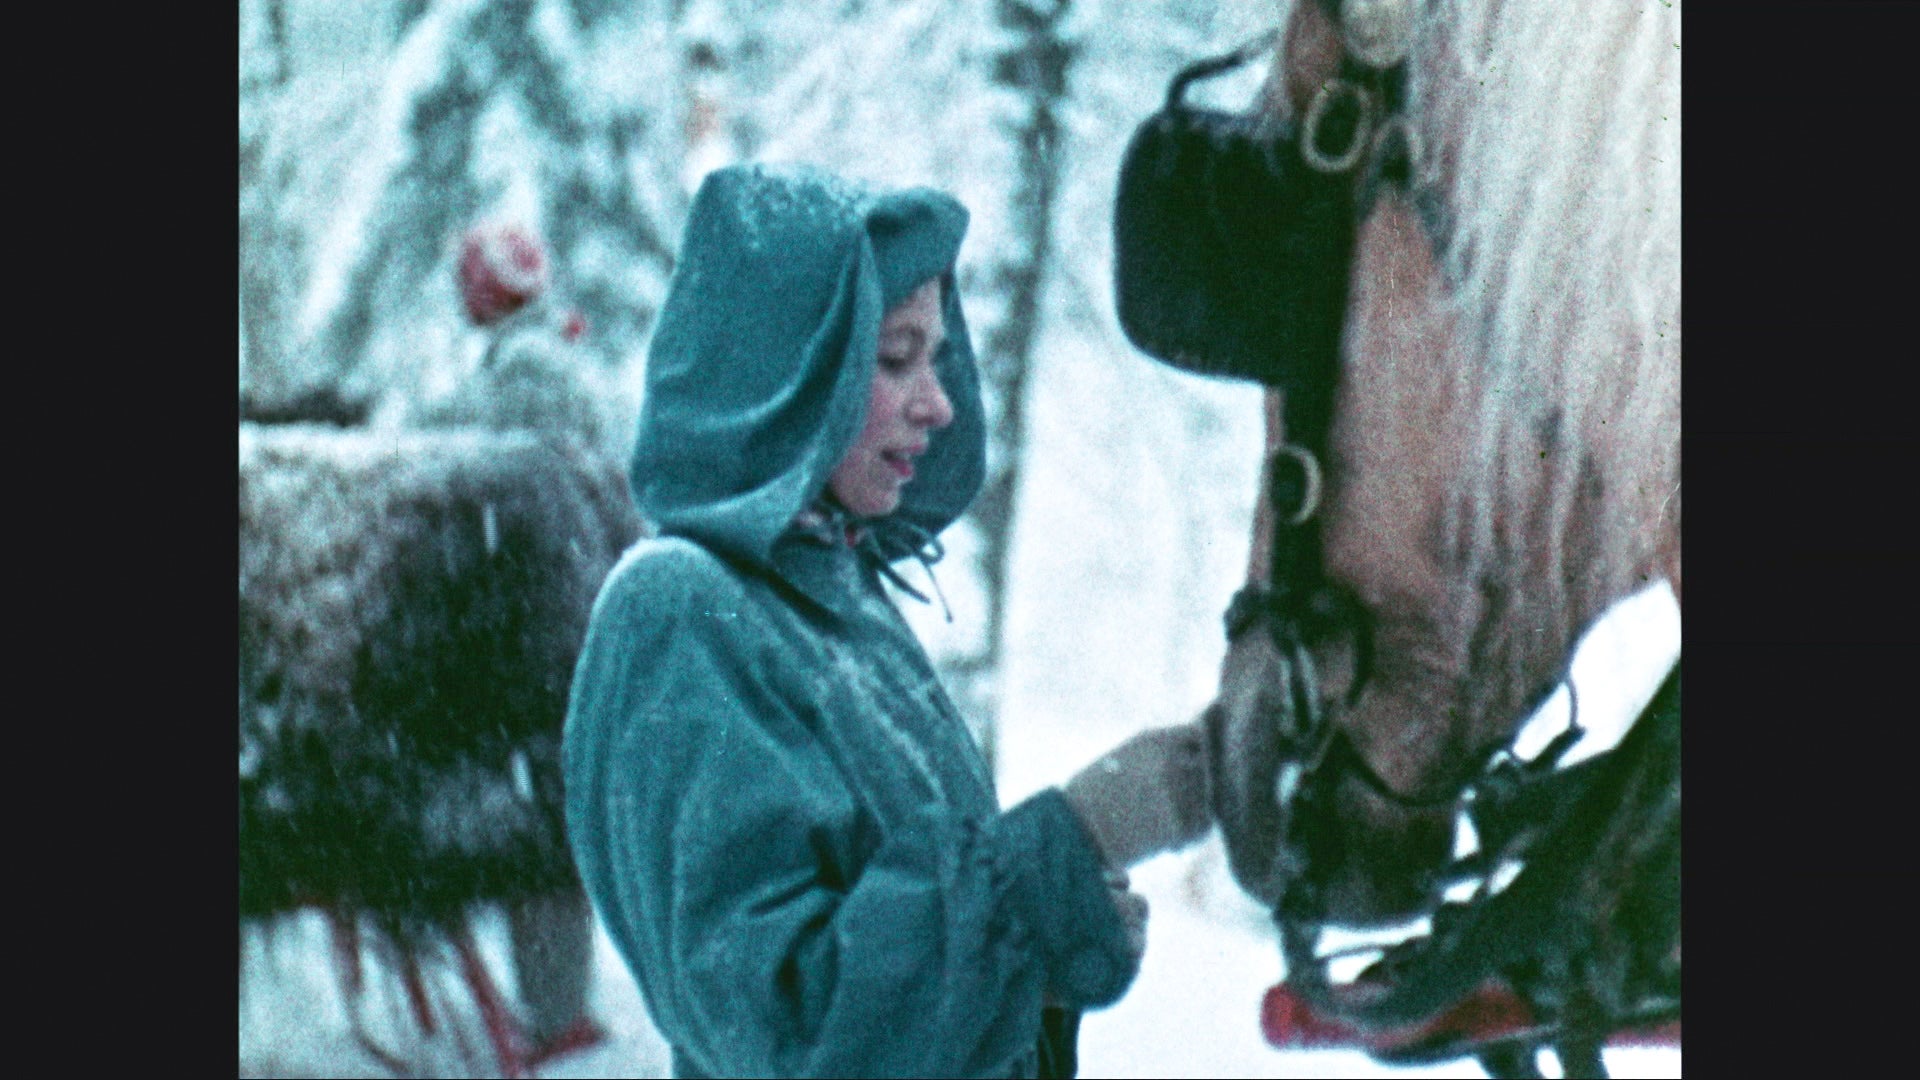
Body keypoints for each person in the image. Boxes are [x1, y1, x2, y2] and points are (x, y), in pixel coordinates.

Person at [563, 163, 1212, 1079]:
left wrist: (1043, 961)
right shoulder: (679, 617)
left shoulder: (836, 600)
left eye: (937, 357)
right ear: (785, 367)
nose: (939, 402)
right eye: (895, 356)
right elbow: (793, 1029)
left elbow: (908, 984)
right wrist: (1066, 849)